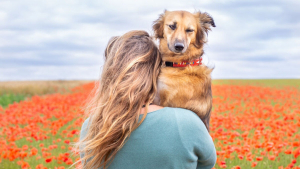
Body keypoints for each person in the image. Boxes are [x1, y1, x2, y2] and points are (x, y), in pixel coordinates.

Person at [76, 30, 217, 169]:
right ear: (157, 71)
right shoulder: (186, 122)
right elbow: (206, 164)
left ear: (109, 75)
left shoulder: (91, 127)